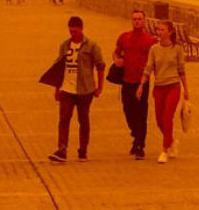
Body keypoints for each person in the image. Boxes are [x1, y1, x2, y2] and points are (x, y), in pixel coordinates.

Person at [49, 16, 105, 162]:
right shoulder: (64, 46)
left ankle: (83, 150)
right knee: (64, 119)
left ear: (81, 29)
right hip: (67, 89)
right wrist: (57, 88)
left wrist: (100, 87)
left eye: (75, 31)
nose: (72, 34)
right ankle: (62, 149)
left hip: (85, 90)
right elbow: (59, 67)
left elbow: (100, 66)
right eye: (70, 31)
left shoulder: (92, 46)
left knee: (83, 120)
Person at [137, 20, 190, 164]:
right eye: (158, 30)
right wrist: (141, 85)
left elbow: (181, 70)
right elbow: (148, 68)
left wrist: (186, 90)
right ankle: (171, 141)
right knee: (159, 120)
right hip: (159, 87)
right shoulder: (154, 49)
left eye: (162, 30)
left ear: (170, 32)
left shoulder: (177, 49)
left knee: (167, 118)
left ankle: (164, 150)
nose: (159, 32)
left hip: (173, 87)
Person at [113, 10, 157, 160]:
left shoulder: (150, 41)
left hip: (142, 81)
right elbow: (116, 53)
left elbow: (155, 60)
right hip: (127, 80)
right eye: (134, 19)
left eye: (139, 19)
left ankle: (140, 145)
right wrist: (117, 61)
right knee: (128, 110)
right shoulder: (124, 38)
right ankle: (136, 134)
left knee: (141, 113)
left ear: (144, 21)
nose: (137, 21)